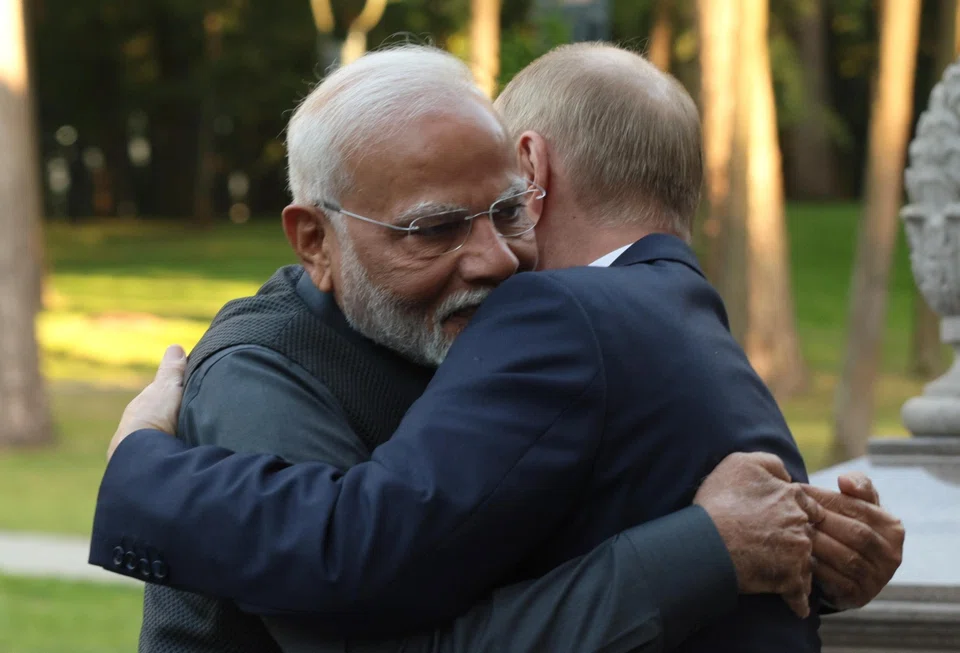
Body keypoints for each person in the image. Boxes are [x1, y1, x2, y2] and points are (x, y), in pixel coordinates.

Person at [90, 44, 905, 653]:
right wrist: (139, 462)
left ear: (530, 177)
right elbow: (361, 581)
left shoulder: (493, 332)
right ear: (314, 240)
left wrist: (807, 551)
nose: (497, 259)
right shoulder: (265, 370)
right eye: (435, 227)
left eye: (509, 213)